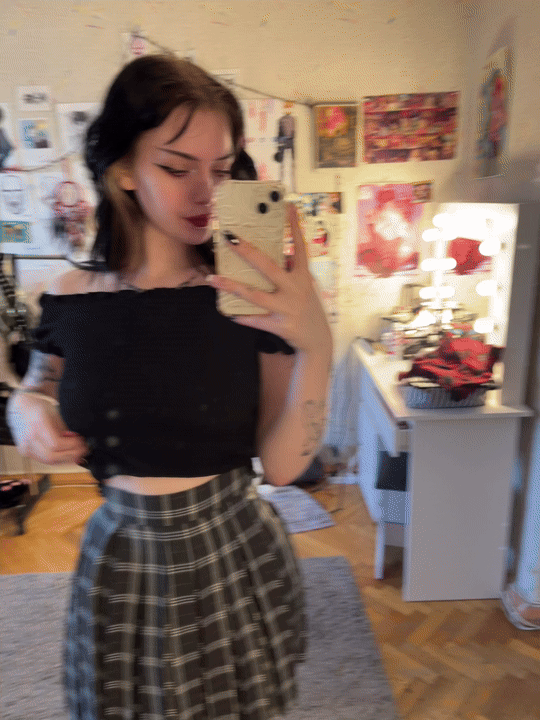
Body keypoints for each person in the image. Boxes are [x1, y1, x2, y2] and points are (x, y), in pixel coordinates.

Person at [6, 54, 333, 720]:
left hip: (231, 549)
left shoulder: (252, 297)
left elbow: (282, 465)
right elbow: (38, 385)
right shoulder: (69, 297)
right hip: (120, 554)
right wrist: (26, 409)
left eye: (221, 170)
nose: (206, 193)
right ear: (123, 168)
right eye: (178, 168)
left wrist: (317, 345)